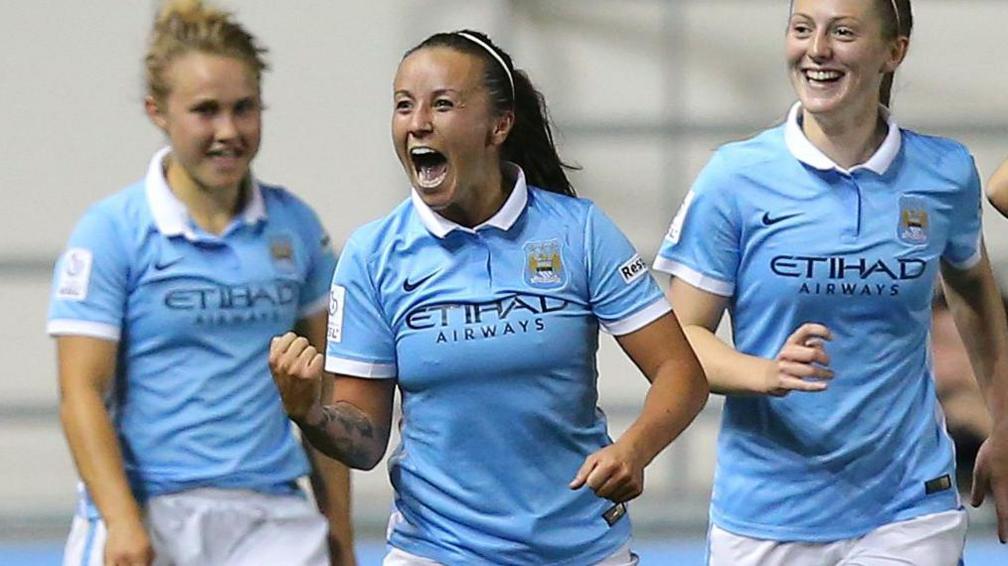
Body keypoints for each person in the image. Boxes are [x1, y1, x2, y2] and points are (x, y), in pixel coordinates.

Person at [268, 29, 708, 565]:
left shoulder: (579, 231)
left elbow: (681, 373)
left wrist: (634, 450)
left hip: (580, 549)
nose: (418, 122)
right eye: (403, 105)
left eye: (443, 104)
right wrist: (311, 412)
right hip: (437, 551)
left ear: (499, 125)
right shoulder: (373, 255)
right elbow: (364, 441)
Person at [653, 0, 1008, 564]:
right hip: (765, 509)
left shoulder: (943, 173)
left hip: (909, 505)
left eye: (842, 33)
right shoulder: (735, 177)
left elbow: (974, 294)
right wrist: (763, 373)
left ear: (895, 51)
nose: (817, 50)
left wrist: (1005, 424)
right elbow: (680, 338)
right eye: (802, 29)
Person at [47, 1, 354, 564]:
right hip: (148, 511)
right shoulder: (111, 231)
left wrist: (341, 533)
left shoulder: (297, 228)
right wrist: (120, 522)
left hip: (271, 517)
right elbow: (80, 393)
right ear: (157, 111)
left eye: (244, 109)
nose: (228, 131)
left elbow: (326, 389)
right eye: (205, 111)